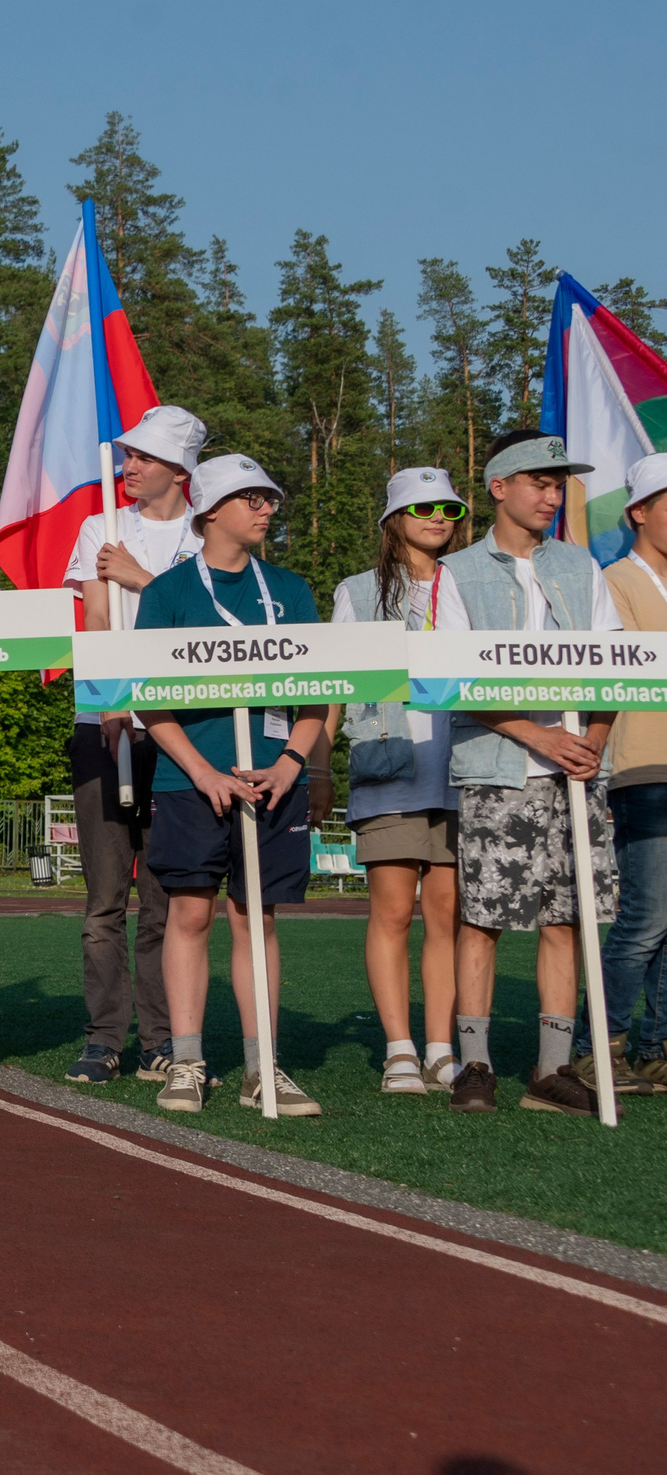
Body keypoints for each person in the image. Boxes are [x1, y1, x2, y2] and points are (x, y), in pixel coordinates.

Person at [133, 454, 324, 1116]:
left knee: (255, 917)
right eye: (253, 499)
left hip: (273, 778)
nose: (267, 509)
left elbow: (320, 690)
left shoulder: (291, 590)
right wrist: (202, 770)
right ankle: (186, 1060)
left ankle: (261, 1066)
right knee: (189, 913)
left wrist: (291, 763)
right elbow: (147, 699)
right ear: (211, 510)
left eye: (270, 499)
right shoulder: (168, 593)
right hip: (191, 780)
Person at [441, 431, 621, 1117]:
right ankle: (475, 1063)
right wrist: (538, 734)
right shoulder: (457, 572)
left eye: (558, 485)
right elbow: (447, 680)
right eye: (539, 482)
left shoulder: (582, 566)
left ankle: (552, 1069)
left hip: (577, 772)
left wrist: (593, 739)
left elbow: (614, 666)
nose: (552, 496)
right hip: (497, 767)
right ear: (499, 487)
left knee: (567, 918)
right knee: (483, 918)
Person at [60, 405, 204, 1084]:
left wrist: (143, 580)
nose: (129, 465)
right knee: (104, 899)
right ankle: (103, 1038)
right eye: (128, 454)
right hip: (106, 725)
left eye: (144, 456)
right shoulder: (102, 527)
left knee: (167, 899)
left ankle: (161, 1039)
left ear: (180, 468)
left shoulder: (209, 534)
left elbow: (206, 627)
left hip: (182, 731)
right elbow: (94, 619)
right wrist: (109, 698)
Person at [327, 468, 466, 1095]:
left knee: (448, 915)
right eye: (423, 508)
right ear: (394, 519)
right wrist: (317, 765)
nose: (438, 518)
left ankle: (441, 1049)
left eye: (449, 509)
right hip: (389, 767)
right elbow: (335, 683)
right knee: (391, 913)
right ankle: (399, 1050)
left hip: (465, 767)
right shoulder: (357, 591)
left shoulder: (468, 585)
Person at [596, 451, 667, 1096]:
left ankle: (656, 1049)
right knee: (645, 918)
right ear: (639, 513)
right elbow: (621, 669)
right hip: (644, 768)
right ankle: (602, 1044)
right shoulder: (614, 581)